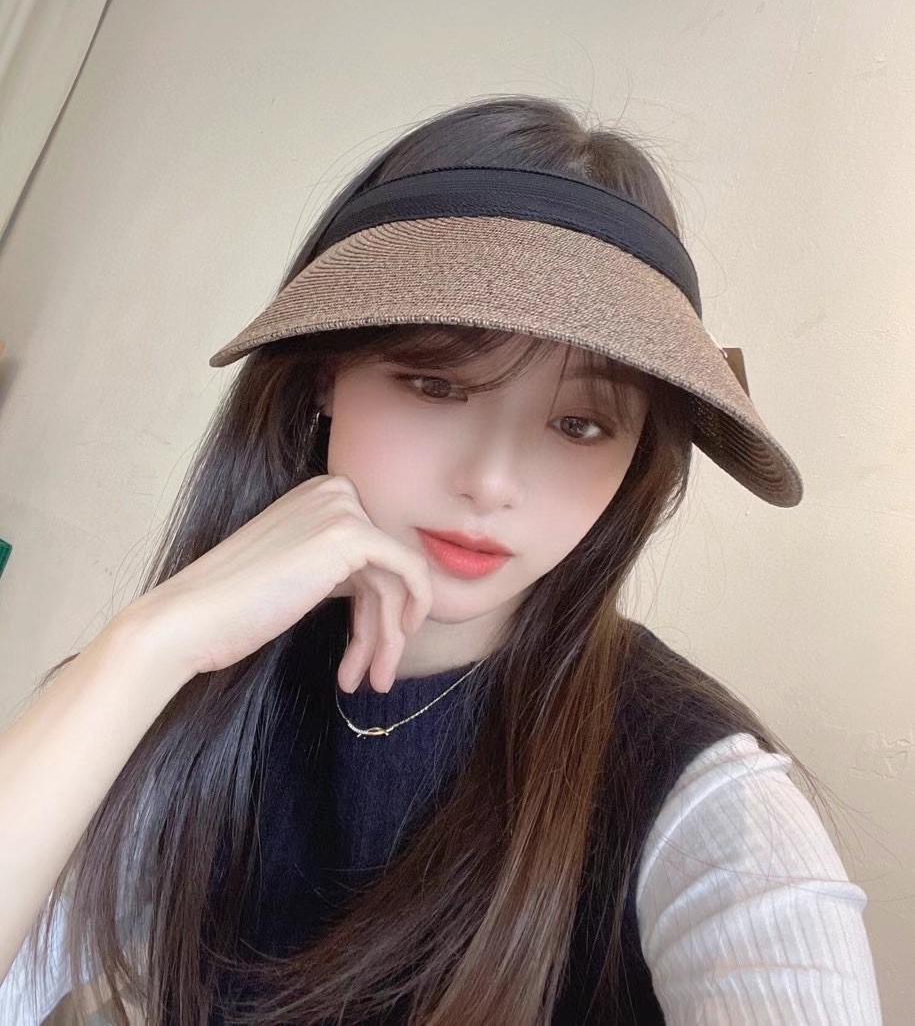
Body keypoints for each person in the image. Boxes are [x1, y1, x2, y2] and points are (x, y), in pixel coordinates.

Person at [0, 95, 882, 1025]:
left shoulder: (697, 792)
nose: (491, 482)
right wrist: (144, 647)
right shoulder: (202, 694)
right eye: (435, 383)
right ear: (324, 379)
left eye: (579, 424)